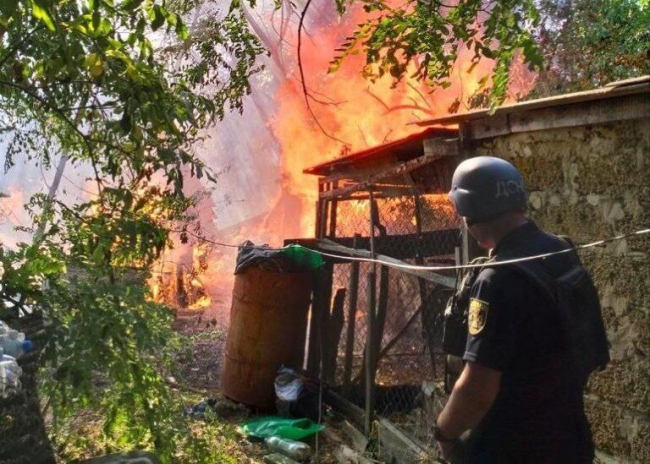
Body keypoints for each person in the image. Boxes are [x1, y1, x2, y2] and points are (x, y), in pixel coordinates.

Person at [435, 156, 606, 463]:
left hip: (514, 446)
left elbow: (477, 388)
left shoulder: (496, 279)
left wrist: (444, 432)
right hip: (569, 437)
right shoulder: (560, 249)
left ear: (471, 214)